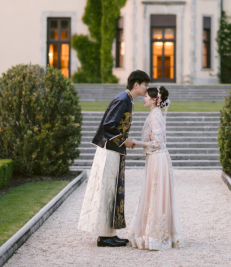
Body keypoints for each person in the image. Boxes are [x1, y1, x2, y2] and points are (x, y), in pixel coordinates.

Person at [78, 70, 151, 247]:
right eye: (145, 85)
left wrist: (126, 141)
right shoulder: (122, 100)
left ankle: (109, 232)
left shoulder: (127, 100)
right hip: (109, 152)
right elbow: (108, 126)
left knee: (112, 190)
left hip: (114, 151)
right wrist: (125, 141)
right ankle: (104, 236)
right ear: (136, 84)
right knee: (107, 191)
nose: (146, 89)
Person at [128, 86, 183, 251]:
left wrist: (136, 142)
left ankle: (155, 235)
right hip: (155, 158)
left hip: (158, 158)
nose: (143, 98)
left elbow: (158, 143)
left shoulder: (155, 117)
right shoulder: (154, 114)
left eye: (146, 96)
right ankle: (152, 232)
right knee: (152, 194)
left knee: (155, 195)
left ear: (154, 100)